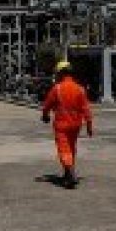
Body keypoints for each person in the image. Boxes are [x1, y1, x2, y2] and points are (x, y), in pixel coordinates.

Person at [41, 60, 94, 188]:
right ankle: (67, 173)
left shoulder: (57, 88)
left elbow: (47, 104)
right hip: (76, 125)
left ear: (61, 73)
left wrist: (45, 115)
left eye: (57, 73)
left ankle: (71, 174)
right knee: (71, 147)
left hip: (61, 125)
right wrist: (89, 126)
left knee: (64, 149)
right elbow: (86, 109)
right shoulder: (80, 89)